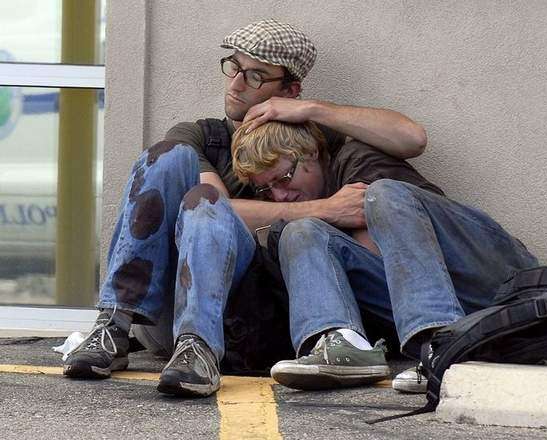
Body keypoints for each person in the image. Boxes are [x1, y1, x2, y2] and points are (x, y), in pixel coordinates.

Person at [61, 19, 427, 398]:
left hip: (258, 312)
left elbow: (412, 138)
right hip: (178, 303)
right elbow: (216, 210)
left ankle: (198, 347)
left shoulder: (310, 142)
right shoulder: (200, 137)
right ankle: (113, 325)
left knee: (207, 204)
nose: (236, 84)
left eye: (255, 75)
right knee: (174, 165)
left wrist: (312, 110)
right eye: (233, 67)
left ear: (289, 89)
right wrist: (327, 209)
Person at [231, 120, 540, 392]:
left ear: (310, 152)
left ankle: (440, 342)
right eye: (267, 190)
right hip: (454, 315)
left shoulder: (357, 161)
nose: (280, 195)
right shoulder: (315, 207)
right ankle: (341, 343)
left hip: (499, 282)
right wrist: (320, 215)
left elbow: (387, 248)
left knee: (384, 194)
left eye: (283, 178)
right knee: (298, 232)